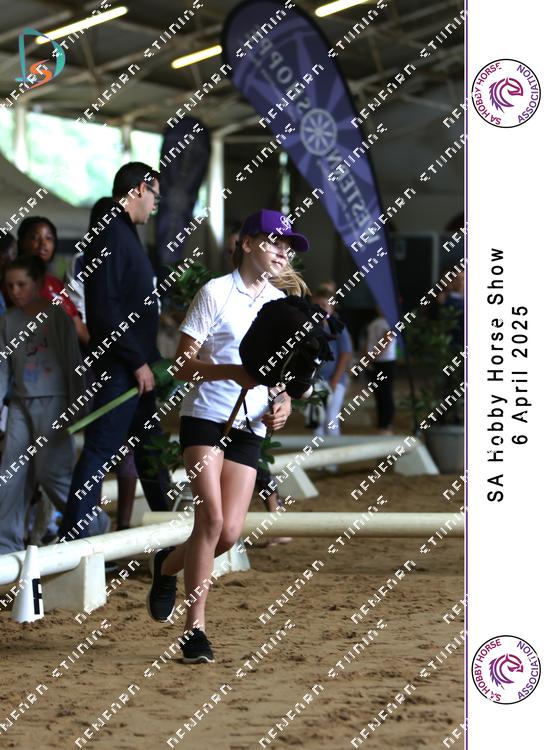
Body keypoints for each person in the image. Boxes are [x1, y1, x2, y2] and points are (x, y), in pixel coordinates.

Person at [147, 209, 309, 664]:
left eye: (287, 245)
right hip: (205, 419)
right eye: (274, 241)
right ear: (246, 243)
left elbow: (284, 375)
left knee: (230, 534)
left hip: (249, 426)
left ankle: (167, 565)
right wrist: (232, 372)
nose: (283, 251)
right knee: (211, 520)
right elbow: (181, 366)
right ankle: (194, 629)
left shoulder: (281, 305)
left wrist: (283, 400)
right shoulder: (215, 292)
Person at [58, 162, 171, 542]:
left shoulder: (123, 233)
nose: (155, 204)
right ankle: (72, 541)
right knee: (100, 450)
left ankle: (172, 531)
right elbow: (104, 309)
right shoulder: (109, 231)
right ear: (139, 189)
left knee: (151, 450)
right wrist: (137, 362)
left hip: (136, 367)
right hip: (124, 368)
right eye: (155, 195)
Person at [0, 256, 85, 553]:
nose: (15, 291)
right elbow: (2, 370)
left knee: (52, 473)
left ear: (38, 283)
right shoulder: (7, 321)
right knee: (9, 474)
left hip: (55, 402)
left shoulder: (57, 316)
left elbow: (73, 363)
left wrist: (77, 406)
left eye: (21, 284)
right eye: (10, 285)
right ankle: (5, 545)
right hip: (20, 404)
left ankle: (90, 524)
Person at [65, 197, 139, 531]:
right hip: (103, 364)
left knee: (126, 446)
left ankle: (118, 525)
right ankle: (84, 529)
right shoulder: (84, 260)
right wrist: (130, 358)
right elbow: (89, 316)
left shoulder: (129, 254)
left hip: (128, 364)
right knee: (101, 445)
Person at [17, 216, 89, 345]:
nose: (43, 243)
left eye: (48, 238)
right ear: (21, 242)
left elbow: (78, 327)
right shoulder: (14, 282)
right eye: (34, 237)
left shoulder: (55, 283)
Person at [309, 288, 353, 440]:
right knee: (317, 419)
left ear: (332, 308)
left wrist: (335, 379)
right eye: (316, 305)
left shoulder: (338, 328)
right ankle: (318, 454)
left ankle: (334, 454)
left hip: (334, 380)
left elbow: (345, 354)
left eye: (324, 305)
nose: (320, 309)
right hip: (315, 380)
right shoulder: (309, 327)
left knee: (331, 418)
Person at [364, 307, 397, 434]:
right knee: (379, 394)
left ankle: (386, 424)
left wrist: (373, 355)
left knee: (385, 393)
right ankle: (382, 423)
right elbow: (369, 341)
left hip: (385, 362)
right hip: (377, 362)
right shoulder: (375, 323)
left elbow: (387, 339)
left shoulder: (387, 323)